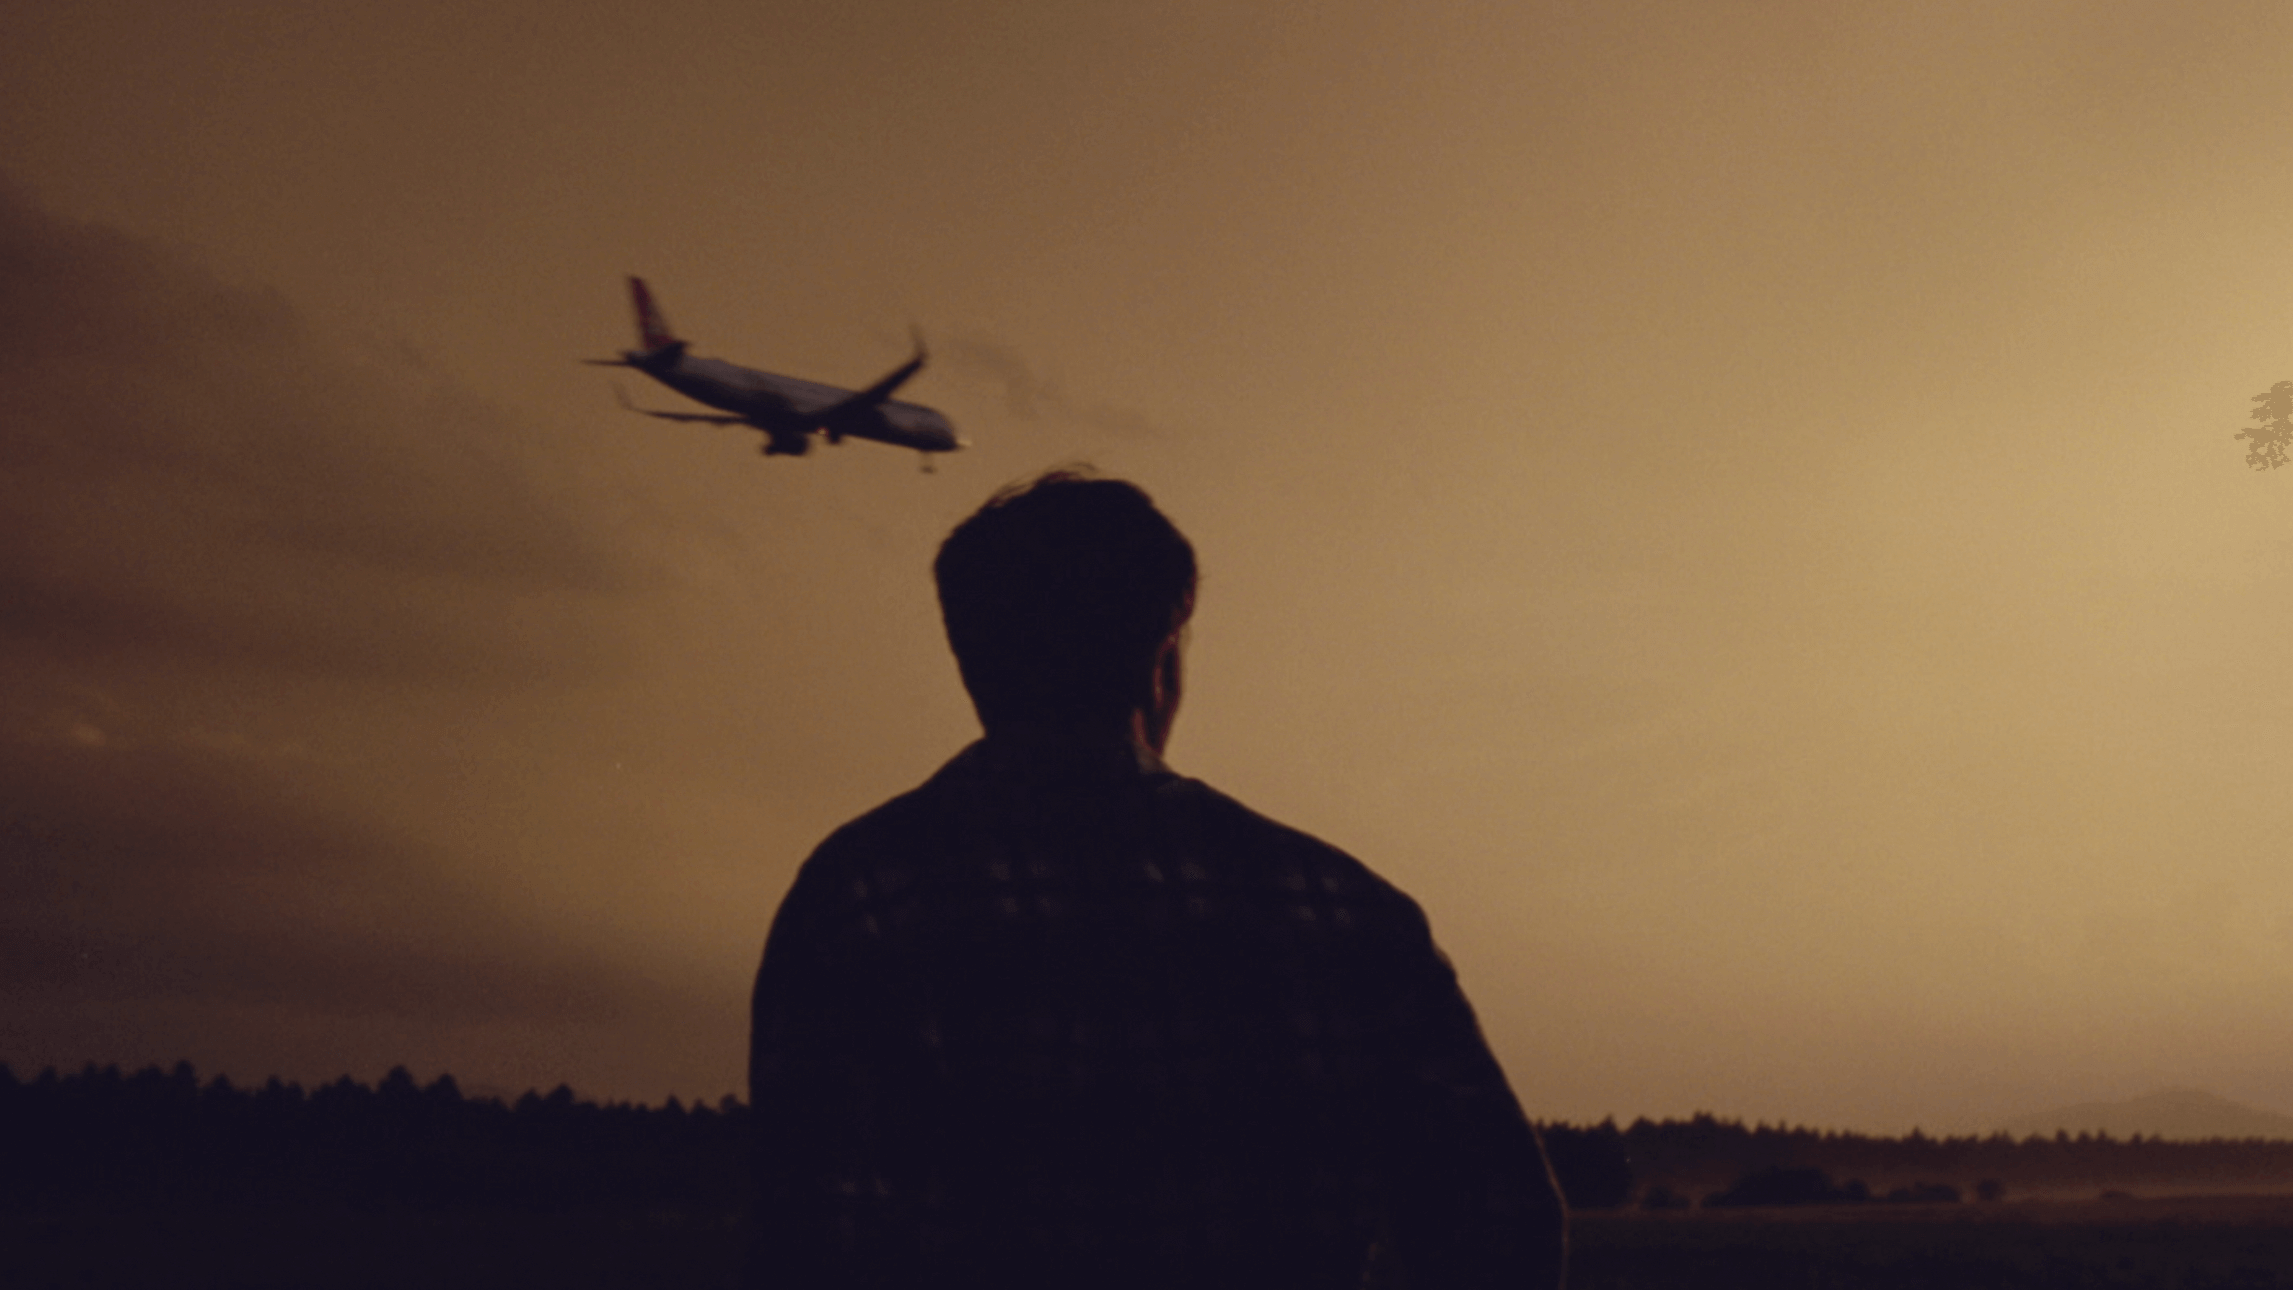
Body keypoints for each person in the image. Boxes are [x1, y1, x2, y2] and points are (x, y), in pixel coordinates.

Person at [748, 471, 1566, 1289]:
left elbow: (813, 1239)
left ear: (973, 666)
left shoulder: (864, 899)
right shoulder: (1347, 911)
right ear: (1161, 660)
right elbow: (1502, 1226)